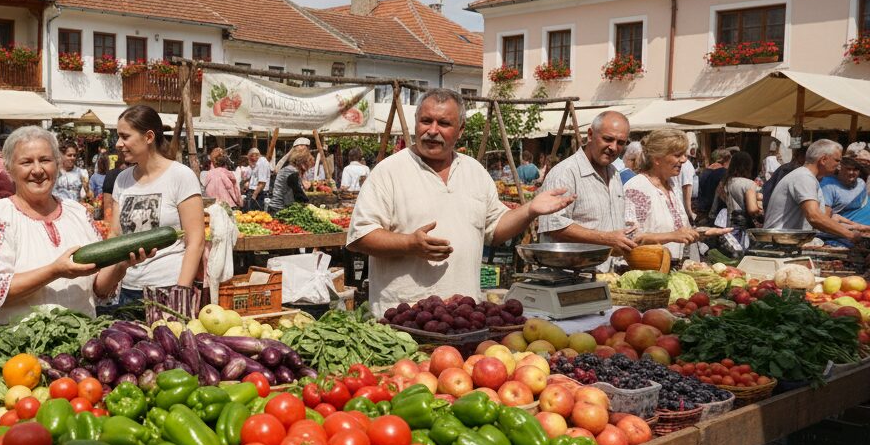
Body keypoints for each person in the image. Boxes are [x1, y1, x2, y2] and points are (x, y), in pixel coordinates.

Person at [347, 88, 574, 312]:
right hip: (403, 317)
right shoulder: (389, 171)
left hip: (463, 316)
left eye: (444, 123)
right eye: (426, 121)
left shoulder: (474, 171)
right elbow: (361, 236)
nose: (432, 130)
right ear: (416, 122)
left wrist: (529, 211)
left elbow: (495, 229)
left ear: (460, 130)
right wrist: (410, 244)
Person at [0, 126, 152, 332]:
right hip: (14, 350)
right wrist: (54, 271)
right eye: (26, 162)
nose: (37, 170)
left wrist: (121, 265)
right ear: (9, 169)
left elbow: (98, 289)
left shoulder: (78, 213)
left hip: (77, 345)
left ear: (57, 164)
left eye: (45, 160)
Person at [110, 105, 205, 302]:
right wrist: (107, 279)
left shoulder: (180, 176)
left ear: (149, 137)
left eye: (125, 136)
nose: (118, 144)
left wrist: (181, 291)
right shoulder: (122, 180)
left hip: (168, 289)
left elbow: (195, 241)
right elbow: (115, 235)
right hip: (128, 289)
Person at [537, 110, 635, 264]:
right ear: (590, 135)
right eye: (608, 139)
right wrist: (606, 239)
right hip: (570, 277)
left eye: (621, 142)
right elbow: (553, 225)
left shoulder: (615, 174)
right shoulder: (565, 173)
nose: (614, 147)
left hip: (604, 275)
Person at [623, 129, 722, 261]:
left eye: (684, 154)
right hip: (647, 272)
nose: (684, 159)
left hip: (672, 269)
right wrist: (672, 236)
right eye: (677, 155)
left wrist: (701, 233)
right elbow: (631, 237)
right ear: (657, 159)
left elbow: (679, 233)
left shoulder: (672, 185)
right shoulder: (637, 188)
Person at [766, 139, 860, 242]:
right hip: (778, 245)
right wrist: (850, 235)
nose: (839, 165)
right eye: (837, 160)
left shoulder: (808, 177)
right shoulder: (804, 177)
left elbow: (819, 217)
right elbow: (814, 217)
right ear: (823, 160)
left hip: (785, 244)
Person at [719, 150, 761, 232]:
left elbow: (715, 207)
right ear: (749, 166)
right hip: (742, 228)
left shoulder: (723, 183)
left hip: (725, 226)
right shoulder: (749, 184)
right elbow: (752, 209)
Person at [266, 147, 312, 212]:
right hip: (279, 208)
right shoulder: (291, 172)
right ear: (302, 162)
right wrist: (308, 204)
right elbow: (298, 192)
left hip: (275, 206)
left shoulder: (288, 169)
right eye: (307, 162)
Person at [694, 148, 731, 223]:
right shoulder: (723, 173)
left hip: (703, 209)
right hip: (716, 213)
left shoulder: (704, 171)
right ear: (726, 159)